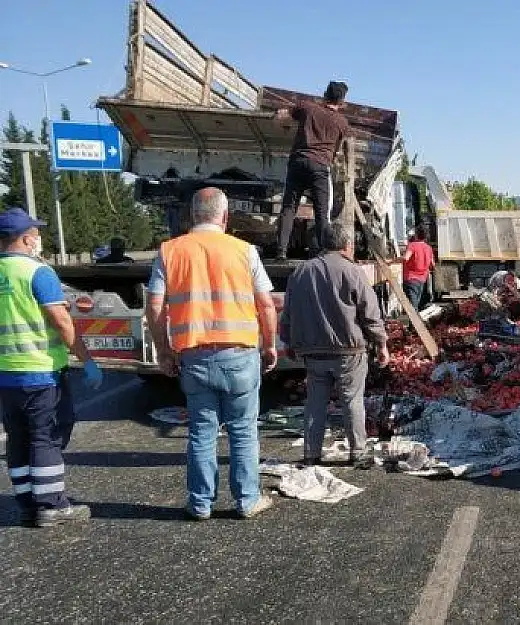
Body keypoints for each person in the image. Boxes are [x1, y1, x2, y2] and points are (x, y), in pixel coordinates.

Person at [145, 187, 279, 521]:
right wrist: (270, 344)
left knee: (202, 432)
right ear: (225, 216)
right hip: (240, 355)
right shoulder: (244, 251)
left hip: (195, 355)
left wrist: (164, 351)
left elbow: (154, 305)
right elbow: (266, 303)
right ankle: (247, 500)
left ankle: (200, 503)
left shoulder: (170, 251)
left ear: (191, 215)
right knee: (243, 430)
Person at [0, 207, 103, 527]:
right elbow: (61, 321)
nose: (39, 239)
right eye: (36, 234)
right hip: (41, 372)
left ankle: (28, 502)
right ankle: (52, 505)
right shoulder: (37, 272)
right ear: (27, 238)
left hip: (6, 375)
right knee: (47, 436)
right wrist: (87, 361)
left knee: (18, 436)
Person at [279, 223, 390, 466]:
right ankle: (358, 452)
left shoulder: (300, 272)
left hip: (313, 352)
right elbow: (370, 314)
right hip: (348, 352)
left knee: (315, 403)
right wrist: (381, 344)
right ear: (347, 245)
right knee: (352, 402)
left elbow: (288, 314)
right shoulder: (352, 272)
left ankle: (311, 454)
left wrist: (288, 341)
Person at [274, 81, 352, 260]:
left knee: (289, 207)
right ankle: (322, 253)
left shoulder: (307, 108)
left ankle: (281, 251)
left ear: (324, 94)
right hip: (320, 168)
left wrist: (279, 122)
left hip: (298, 162)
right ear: (341, 102)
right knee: (321, 212)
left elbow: (281, 116)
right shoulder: (342, 123)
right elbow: (337, 151)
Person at [402, 225, 435, 310]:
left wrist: (392, 261)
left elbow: (406, 258)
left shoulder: (412, 245)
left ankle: (414, 323)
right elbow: (432, 265)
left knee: (412, 307)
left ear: (416, 234)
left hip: (411, 278)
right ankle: (415, 322)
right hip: (422, 280)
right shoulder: (429, 248)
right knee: (416, 303)